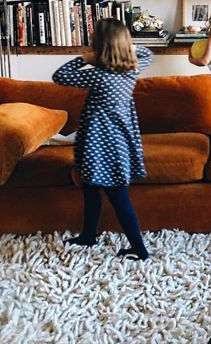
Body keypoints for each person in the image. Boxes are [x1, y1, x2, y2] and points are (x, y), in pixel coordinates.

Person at [52, 18, 153, 261]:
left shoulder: (98, 77)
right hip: (116, 144)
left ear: (100, 48)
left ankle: (139, 249)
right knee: (91, 189)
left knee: (117, 198)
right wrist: (124, 48)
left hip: (100, 147)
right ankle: (88, 235)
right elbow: (147, 52)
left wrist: (85, 59)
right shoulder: (132, 70)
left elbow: (60, 76)